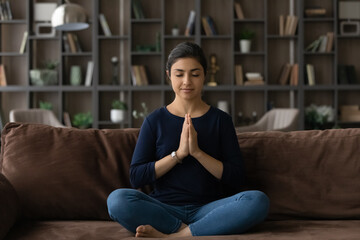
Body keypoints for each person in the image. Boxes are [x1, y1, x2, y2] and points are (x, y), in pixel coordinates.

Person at [107, 42, 269, 238]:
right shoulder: (154, 120)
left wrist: (198, 153)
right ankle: (190, 232)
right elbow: (137, 176)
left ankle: (175, 237)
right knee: (117, 200)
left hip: (209, 210)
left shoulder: (221, 120)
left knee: (257, 200)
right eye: (179, 74)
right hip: (164, 208)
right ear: (168, 75)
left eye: (194, 74)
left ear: (204, 76)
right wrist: (179, 154)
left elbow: (236, 178)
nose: (187, 81)